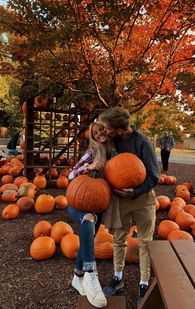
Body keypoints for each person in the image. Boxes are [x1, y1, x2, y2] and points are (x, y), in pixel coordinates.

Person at [99, 106, 160, 305]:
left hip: (143, 200)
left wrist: (134, 191)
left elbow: (154, 176)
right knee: (119, 239)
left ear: (118, 130)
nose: (103, 131)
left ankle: (143, 282)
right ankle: (117, 277)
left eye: (106, 128)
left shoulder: (143, 142)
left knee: (144, 242)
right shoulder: (110, 141)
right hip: (121, 200)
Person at [67, 121, 114, 308]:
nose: (100, 133)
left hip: (99, 204)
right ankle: (90, 273)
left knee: (88, 238)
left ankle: (78, 277)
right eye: (95, 132)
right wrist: (88, 167)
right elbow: (71, 176)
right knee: (87, 218)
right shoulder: (92, 153)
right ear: (93, 137)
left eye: (102, 128)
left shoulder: (115, 154)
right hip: (77, 201)